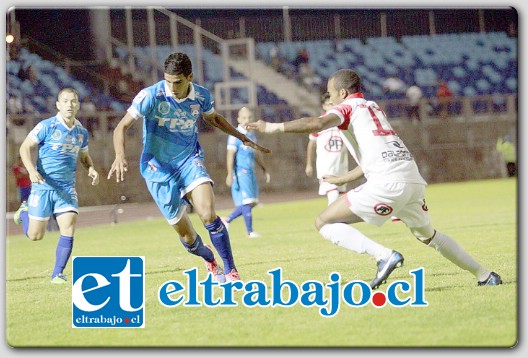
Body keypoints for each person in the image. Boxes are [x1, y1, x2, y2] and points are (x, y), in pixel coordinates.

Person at [247, 69, 502, 288]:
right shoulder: (372, 107)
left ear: (343, 93)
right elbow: (374, 156)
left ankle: (384, 256)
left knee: (323, 222)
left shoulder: (347, 107)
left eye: (331, 92)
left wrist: (272, 127)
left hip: (388, 183)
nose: (330, 98)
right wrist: (344, 177)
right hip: (411, 179)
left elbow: (316, 122)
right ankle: (485, 275)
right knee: (429, 236)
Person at [107, 52, 270, 283]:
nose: (172, 87)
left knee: (208, 214)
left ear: (190, 77)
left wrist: (241, 137)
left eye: (178, 82)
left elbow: (214, 119)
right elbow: (120, 127)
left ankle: (231, 270)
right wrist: (120, 155)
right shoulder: (151, 95)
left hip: (189, 161)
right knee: (188, 238)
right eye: (168, 81)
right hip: (157, 169)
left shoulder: (201, 96)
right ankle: (209, 258)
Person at [13, 88, 100, 284]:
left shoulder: (81, 132)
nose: (70, 104)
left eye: (74, 101)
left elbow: (84, 156)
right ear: (58, 105)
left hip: (66, 188)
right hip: (43, 185)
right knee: (35, 236)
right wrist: (31, 171)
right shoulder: (47, 126)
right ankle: (25, 211)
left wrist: (91, 169)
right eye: (66, 101)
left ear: (78, 105)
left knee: (68, 227)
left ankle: (57, 274)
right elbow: (25, 147)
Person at [222, 107, 271, 239]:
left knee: (253, 202)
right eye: (244, 118)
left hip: (250, 172)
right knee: (247, 202)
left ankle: (226, 220)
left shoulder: (251, 135)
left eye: (249, 118)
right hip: (240, 173)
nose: (247, 120)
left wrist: (264, 169)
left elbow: (256, 154)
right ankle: (250, 232)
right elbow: (230, 155)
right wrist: (229, 173)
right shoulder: (235, 135)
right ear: (238, 119)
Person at [305, 93, 348, 205]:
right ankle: (331, 221)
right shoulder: (319, 123)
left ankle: (338, 221)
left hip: (341, 167)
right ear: (324, 106)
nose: (332, 107)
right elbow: (311, 144)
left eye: (334, 104)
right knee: (333, 194)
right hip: (326, 167)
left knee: (340, 197)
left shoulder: (342, 122)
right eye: (329, 104)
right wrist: (309, 164)